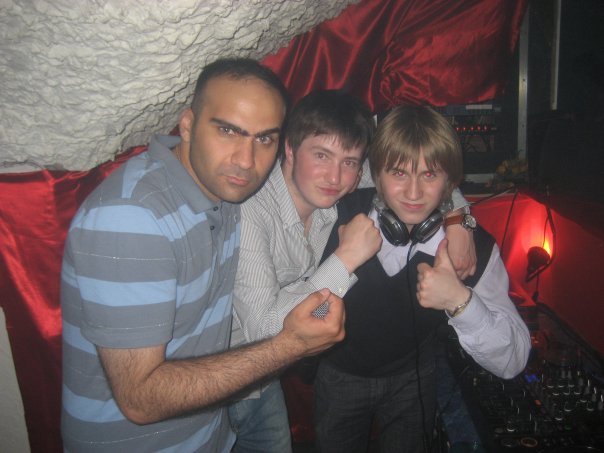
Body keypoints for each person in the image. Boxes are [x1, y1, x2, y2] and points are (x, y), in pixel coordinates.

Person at [60, 57, 346, 453]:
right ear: (187, 125)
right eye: (228, 130)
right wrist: (290, 345)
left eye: (264, 139)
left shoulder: (224, 190)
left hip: (209, 432)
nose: (246, 160)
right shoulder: (132, 217)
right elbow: (140, 399)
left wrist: (439, 203)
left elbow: (357, 166)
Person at [228, 91, 478, 453]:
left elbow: (416, 174)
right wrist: (345, 258)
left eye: (349, 162)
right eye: (321, 155)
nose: (335, 176)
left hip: (266, 384)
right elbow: (266, 337)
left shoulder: (333, 185)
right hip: (225, 372)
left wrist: (459, 218)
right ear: (290, 149)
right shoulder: (252, 210)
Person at [313, 105, 531, 453]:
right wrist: (343, 263)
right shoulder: (336, 214)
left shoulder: (469, 248)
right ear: (375, 176)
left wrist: (459, 302)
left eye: (429, 175)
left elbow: (514, 360)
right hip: (340, 375)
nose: (413, 193)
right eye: (398, 173)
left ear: (449, 183)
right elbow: (310, 317)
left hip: (414, 376)